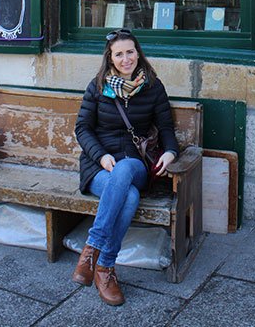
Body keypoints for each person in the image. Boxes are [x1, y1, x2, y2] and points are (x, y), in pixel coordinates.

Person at [72, 28, 179, 306]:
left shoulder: (153, 86)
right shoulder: (97, 87)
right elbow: (82, 129)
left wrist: (170, 151)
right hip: (99, 167)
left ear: (138, 53)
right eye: (119, 54)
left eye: (130, 51)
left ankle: (91, 249)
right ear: (110, 58)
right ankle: (105, 267)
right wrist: (100, 157)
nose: (126, 58)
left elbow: (166, 127)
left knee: (125, 170)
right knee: (129, 196)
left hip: (135, 164)